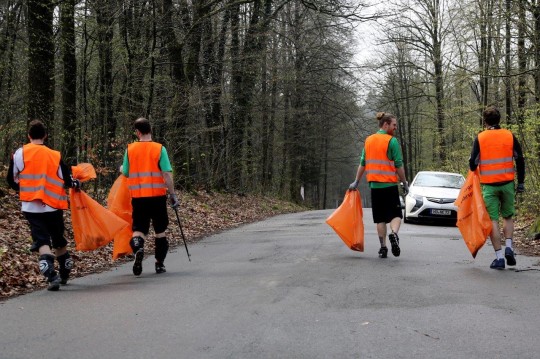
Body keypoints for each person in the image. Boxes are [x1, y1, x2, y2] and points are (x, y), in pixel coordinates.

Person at [6, 120, 80, 291]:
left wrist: (22, 189)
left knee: (42, 240)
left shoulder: (19, 154)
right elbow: (66, 180)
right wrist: (75, 184)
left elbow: (11, 179)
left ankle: (51, 275)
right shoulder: (55, 155)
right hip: (53, 204)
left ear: (29, 136)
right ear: (45, 136)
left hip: (31, 205)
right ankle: (64, 271)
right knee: (58, 238)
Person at [469, 106, 525, 269]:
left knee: (493, 219)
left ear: (485, 121)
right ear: (499, 119)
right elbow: (519, 160)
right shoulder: (509, 136)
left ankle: (499, 258)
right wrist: (521, 182)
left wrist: (471, 162)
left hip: (489, 186)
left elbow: (473, 165)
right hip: (507, 183)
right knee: (508, 216)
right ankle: (509, 247)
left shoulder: (480, 138)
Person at [121, 117, 178, 276]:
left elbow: (126, 172)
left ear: (137, 132)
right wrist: (172, 194)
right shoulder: (160, 149)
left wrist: (121, 168)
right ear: (150, 130)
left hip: (138, 198)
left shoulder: (129, 149)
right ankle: (159, 263)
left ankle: (138, 247)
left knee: (138, 229)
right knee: (160, 230)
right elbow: (166, 174)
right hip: (157, 197)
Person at [349, 112, 409, 258]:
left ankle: (383, 248)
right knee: (396, 215)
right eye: (394, 125)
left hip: (375, 187)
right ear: (386, 124)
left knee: (380, 218)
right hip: (389, 185)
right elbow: (399, 165)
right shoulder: (391, 141)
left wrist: (356, 181)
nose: (395, 128)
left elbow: (362, 163)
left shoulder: (368, 140)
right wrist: (404, 182)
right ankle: (394, 234)